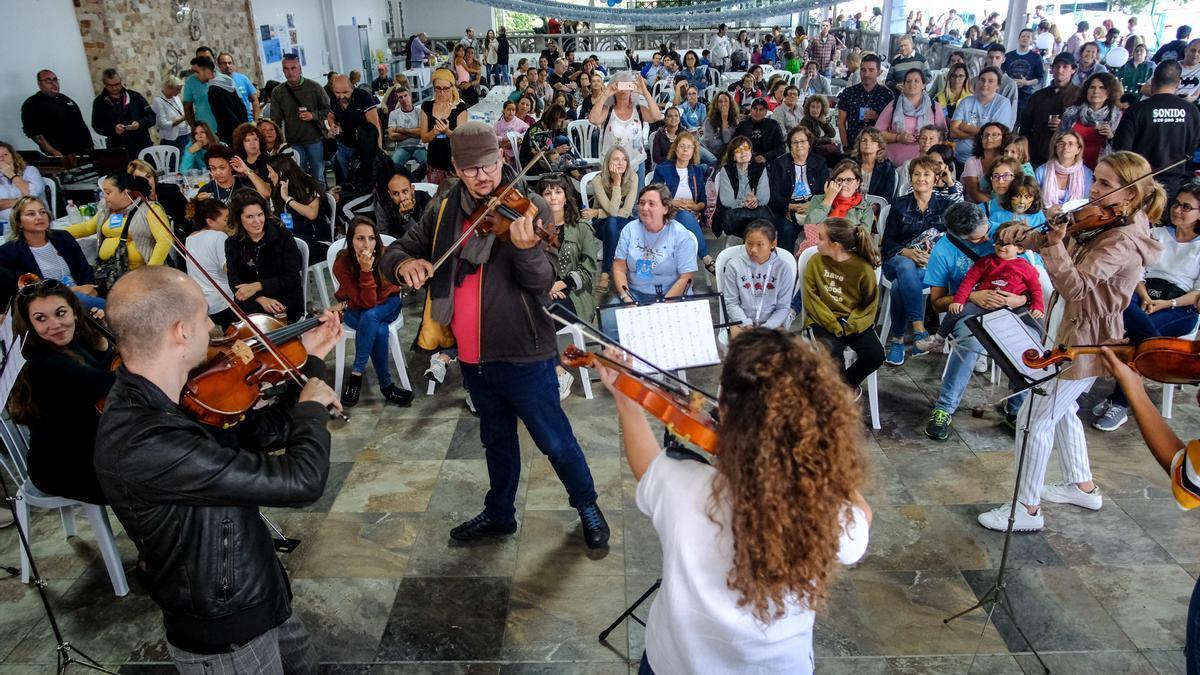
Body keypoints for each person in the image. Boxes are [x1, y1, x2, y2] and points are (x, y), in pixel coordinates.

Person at [95, 264, 340, 671]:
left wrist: (311, 362)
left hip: (258, 591)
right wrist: (312, 409)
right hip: (225, 631)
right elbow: (301, 481)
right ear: (181, 332)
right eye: (205, 317)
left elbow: (265, 430)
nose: (214, 326)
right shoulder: (146, 441)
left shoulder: (175, 398)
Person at [381, 122, 609, 547]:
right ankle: (500, 513)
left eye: (488, 164)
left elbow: (543, 282)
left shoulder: (530, 206)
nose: (482, 176)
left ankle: (588, 506)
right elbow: (400, 248)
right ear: (455, 169)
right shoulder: (446, 207)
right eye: (470, 170)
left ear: (502, 157)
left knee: (555, 441)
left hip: (524, 351)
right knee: (496, 441)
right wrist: (401, 265)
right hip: (471, 355)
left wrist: (525, 251)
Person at [599, 326, 869, 675]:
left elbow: (646, 468)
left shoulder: (679, 484)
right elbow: (861, 521)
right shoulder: (828, 510)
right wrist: (828, 462)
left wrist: (626, 400)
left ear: (725, 412)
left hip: (676, 664)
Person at [976, 151, 1165, 532]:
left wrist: (1054, 243)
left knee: (1034, 416)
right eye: (1097, 180)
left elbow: (1076, 287)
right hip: (1070, 324)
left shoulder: (1124, 239)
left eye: (1107, 185)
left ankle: (1026, 509)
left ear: (1130, 195)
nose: (1095, 190)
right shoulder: (1108, 215)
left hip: (1088, 336)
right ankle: (1082, 485)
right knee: (1061, 407)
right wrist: (1023, 235)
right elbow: (1060, 234)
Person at [1092, 181, 1200, 430]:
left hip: (1180, 305)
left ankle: (1121, 402)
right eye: (1176, 204)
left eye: (1187, 207)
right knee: (1117, 305)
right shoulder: (1158, 233)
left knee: (1139, 335)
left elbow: (1197, 292)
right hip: (1145, 293)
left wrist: (1166, 303)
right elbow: (1139, 272)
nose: (1178, 210)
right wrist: (1145, 296)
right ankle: (1131, 382)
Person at [7, 279, 112, 505]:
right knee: (150, 478)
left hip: (86, 446)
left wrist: (102, 340)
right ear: (29, 325)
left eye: (60, 313)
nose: (55, 324)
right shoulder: (42, 364)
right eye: (41, 319)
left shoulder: (63, 343)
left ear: (75, 312)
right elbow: (111, 383)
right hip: (64, 467)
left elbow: (97, 371)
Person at [917, 219, 1045, 354]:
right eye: (999, 242)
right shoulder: (986, 261)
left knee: (1037, 319)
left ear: (1020, 248)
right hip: (983, 304)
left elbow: (1035, 288)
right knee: (956, 310)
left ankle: (1038, 353)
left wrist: (1037, 306)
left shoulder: (1026, 267)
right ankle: (939, 339)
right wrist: (960, 300)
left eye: (1008, 244)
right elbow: (968, 281)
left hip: (1014, 307)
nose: (1002, 246)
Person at [879, 154, 955, 365]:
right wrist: (907, 252)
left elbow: (953, 241)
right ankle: (919, 330)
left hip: (930, 267)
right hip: (897, 261)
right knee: (904, 266)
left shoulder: (945, 205)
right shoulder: (900, 205)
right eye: (917, 174)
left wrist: (933, 257)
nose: (921, 178)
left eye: (926, 174)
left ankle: (897, 342)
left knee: (897, 287)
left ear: (936, 179)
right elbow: (887, 243)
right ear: (910, 178)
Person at [332, 216, 413, 407]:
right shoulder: (341, 264)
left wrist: (366, 272)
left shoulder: (386, 257)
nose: (367, 244)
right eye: (360, 238)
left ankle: (356, 375)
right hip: (358, 309)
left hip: (388, 305)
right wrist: (365, 271)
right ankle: (387, 386)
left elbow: (371, 302)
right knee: (377, 328)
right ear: (351, 241)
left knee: (371, 316)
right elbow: (366, 302)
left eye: (371, 238)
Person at [804, 216, 883, 390]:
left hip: (853, 322)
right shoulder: (815, 262)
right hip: (822, 321)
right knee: (832, 356)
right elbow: (812, 299)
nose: (816, 242)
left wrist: (852, 325)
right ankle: (838, 397)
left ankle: (844, 389)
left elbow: (869, 305)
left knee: (875, 355)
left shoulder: (863, 268)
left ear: (836, 245)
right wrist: (832, 323)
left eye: (821, 238)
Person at [1113, 61, 1200, 198]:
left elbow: (1121, 151)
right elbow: (1191, 151)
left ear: (1153, 81)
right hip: (1174, 185)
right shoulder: (1192, 111)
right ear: (1178, 83)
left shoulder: (1136, 110)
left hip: (1139, 184)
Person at [0, 196, 99, 309]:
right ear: (19, 223)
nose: (39, 217)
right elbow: (30, 292)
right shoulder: (10, 252)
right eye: (31, 214)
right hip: (47, 305)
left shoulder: (63, 238)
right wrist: (75, 290)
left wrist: (91, 288)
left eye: (42, 212)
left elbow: (84, 269)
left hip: (82, 297)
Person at [224, 190, 305, 323]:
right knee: (240, 313)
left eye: (260, 215)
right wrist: (260, 298)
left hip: (285, 295)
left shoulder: (282, 235)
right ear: (239, 218)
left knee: (269, 317)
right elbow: (234, 281)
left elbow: (292, 278)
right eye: (249, 217)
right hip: (252, 297)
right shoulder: (232, 243)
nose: (257, 221)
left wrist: (258, 286)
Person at [612, 182, 698, 308]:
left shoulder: (680, 235)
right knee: (609, 323)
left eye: (651, 204)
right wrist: (627, 298)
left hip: (672, 294)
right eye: (642, 203)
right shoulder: (629, 230)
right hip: (634, 293)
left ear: (665, 209)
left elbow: (686, 277)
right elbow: (619, 267)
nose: (644, 208)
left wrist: (662, 306)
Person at [68, 173, 171, 272]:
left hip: (141, 272)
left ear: (126, 193)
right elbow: (87, 228)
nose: (105, 197)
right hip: (110, 270)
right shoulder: (107, 209)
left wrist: (150, 271)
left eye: (108, 193)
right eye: (103, 193)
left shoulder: (149, 209)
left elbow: (164, 241)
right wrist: (56, 232)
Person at [651, 131, 714, 274]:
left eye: (689, 147)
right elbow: (654, 196)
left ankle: (686, 270)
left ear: (694, 151)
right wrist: (674, 203)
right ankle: (706, 258)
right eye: (682, 146)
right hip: (666, 215)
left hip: (692, 216)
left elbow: (703, 202)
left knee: (686, 215)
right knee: (684, 215)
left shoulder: (697, 171)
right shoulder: (662, 169)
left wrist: (695, 206)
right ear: (675, 149)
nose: (685, 150)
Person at [589, 71, 662, 189]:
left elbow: (656, 117)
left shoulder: (638, 109)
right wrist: (606, 94)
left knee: (635, 204)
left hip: (636, 162)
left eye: (627, 85)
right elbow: (593, 119)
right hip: (611, 164)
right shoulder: (608, 110)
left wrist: (645, 92)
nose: (624, 90)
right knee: (613, 200)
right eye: (620, 85)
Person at [269, 53, 332, 186]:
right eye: (286, 68)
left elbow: (328, 110)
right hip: (293, 142)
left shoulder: (314, 87)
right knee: (297, 178)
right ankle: (304, 205)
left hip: (315, 139)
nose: (290, 72)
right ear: (283, 70)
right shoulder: (278, 92)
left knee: (318, 177)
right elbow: (275, 120)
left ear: (300, 69)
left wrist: (313, 115)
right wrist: (278, 142)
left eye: (293, 68)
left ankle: (323, 204)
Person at [721, 220, 795, 333]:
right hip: (741, 323)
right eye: (749, 243)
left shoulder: (783, 269)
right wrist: (746, 324)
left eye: (760, 244)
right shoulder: (734, 265)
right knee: (743, 346)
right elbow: (731, 302)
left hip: (772, 325)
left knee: (777, 347)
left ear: (773, 244)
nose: (753, 250)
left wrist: (767, 327)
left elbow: (783, 307)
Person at [583, 147, 637, 292]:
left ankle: (606, 273)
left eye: (624, 159)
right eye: (616, 159)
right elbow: (613, 212)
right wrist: (616, 184)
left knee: (619, 227)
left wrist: (597, 212)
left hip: (624, 220)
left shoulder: (633, 177)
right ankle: (613, 273)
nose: (620, 163)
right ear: (607, 163)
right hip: (602, 225)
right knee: (612, 223)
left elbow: (625, 211)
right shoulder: (597, 180)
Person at [768, 126, 828, 253]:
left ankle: (812, 264)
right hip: (786, 209)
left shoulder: (819, 162)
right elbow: (772, 195)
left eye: (803, 141)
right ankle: (787, 264)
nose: (799, 145)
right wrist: (790, 207)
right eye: (795, 142)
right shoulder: (780, 164)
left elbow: (825, 192)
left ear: (809, 143)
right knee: (786, 229)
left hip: (812, 208)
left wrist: (811, 205)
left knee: (824, 229)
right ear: (790, 145)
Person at [1018, 53, 1080, 167]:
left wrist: (1064, 126)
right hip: (1036, 155)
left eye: (1065, 66)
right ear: (1052, 69)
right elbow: (1025, 127)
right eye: (1057, 66)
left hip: (1066, 158)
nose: (1060, 70)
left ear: (1073, 70)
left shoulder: (1079, 97)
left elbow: (1083, 128)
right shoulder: (1038, 96)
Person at [875, 69, 945, 168]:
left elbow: (942, 135)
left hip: (925, 165)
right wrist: (898, 137)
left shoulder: (934, 107)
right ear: (903, 85)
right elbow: (877, 133)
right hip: (893, 164)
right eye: (908, 81)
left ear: (923, 85)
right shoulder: (893, 105)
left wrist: (925, 137)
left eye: (916, 81)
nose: (912, 84)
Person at [21, 69, 94, 162]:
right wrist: (55, 153)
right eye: (48, 81)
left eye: (55, 80)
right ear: (39, 84)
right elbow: (35, 134)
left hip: (85, 152)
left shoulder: (65, 99)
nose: (54, 83)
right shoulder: (32, 104)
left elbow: (80, 123)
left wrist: (91, 147)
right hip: (62, 156)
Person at [950, 67, 1016, 166]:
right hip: (960, 159)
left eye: (991, 81)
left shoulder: (1003, 103)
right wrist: (977, 135)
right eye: (982, 80)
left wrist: (966, 127)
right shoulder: (966, 101)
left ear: (998, 85)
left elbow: (994, 136)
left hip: (986, 162)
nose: (985, 84)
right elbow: (953, 132)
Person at [1057, 72, 1123, 169]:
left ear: (1110, 93)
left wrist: (1111, 136)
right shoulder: (1071, 113)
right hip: (1070, 166)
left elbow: (1121, 150)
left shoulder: (1117, 117)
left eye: (1102, 88)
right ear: (1086, 91)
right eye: (1092, 87)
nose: (1096, 91)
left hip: (1102, 169)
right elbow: (1058, 140)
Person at [713, 136, 772, 240]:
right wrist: (744, 203)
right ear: (733, 156)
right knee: (753, 229)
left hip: (756, 213)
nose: (743, 153)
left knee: (758, 225)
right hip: (735, 215)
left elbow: (764, 198)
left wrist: (756, 201)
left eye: (746, 149)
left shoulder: (760, 168)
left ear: (751, 152)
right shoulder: (726, 170)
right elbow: (727, 201)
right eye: (738, 150)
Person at [328, 74, 383, 181]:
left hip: (363, 146)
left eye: (345, 92)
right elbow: (330, 116)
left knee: (364, 177)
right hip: (343, 145)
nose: (341, 96)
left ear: (352, 88)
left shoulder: (363, 96)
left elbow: (375, 124)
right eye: (337, 92)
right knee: (345, 179)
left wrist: (378, 147)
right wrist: (332, 125)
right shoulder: (333, 99)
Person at [421, 69, 471, 185]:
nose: (441, 92)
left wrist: (447, 131)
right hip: (434, 160)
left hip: (454, 162)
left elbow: (461, 139)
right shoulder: (427, 106)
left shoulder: (460, 108)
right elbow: (424, 137)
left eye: (445, 89)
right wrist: (433, 132)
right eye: (438, 88)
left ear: (452, 87)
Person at [91, 68, 155, 157]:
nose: (114, 88)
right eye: (110, 85)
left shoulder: (135, 96)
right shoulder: (99, 102)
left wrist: (140, 123)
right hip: (118, 149)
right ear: (104, 84)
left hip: (142, 146)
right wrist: (113, 130)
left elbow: (152, 116)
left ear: (121, 81)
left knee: (147, 171)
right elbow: (97, 126)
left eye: (117, 84)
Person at [805, 158, 874, 240]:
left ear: (857, 183)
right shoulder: (818, 199)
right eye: (839, 180)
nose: (843, 184)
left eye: (849, 180)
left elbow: (863, 238)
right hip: (819, 247)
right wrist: (828, 200)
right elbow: (809, 225)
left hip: (850, 250)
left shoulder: (865, 208)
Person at [837, 54, 894, 150]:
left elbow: (892, 125)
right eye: (863, 70)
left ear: (879, 72)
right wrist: (845, 146)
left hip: (877, 149)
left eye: (871, 70)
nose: (866, 74)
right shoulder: (849, 92)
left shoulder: (887, 95)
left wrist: (877, 117)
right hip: (852, 147)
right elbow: (841, 122)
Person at [188, 57, 248, 144]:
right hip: (241, 130)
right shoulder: (227, 81)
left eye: (197, 72)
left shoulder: (214, 90)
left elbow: (225, 117)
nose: (196, 76)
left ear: (207, 71)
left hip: (231, 136)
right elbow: (242, 108)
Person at [1036, 130, 1094, 211]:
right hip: (1045, 217)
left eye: (1071, 144)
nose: (1065, 147)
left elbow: (1086, 202)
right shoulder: (1041, 171)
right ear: (1056, 149)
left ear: (1078, 149)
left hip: (1075, 218)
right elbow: (1034, 201)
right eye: (1061, 144)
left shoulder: (1087, 174)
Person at [196, 145, 271, 204]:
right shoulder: (206, 190)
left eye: (222, 167)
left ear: (231, 167)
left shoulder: (245, 183)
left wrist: (246, 170)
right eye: (213, 168)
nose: (218, 172)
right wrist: (197, 203)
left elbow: (266, 194)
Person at [961, 122, 1010, 203]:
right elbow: (974, 193)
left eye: (994, 135)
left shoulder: (1007, 162)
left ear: (1004, 138)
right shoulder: (972, 162)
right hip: (974, 206)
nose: (989, 138)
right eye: (985, 135)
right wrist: (995, 209)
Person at [0, 140, 47, 225]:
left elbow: (32, 195)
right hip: (6, 225)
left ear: (13, 157)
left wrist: (11, 175)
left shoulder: (30, 171)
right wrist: (20, 201)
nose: (2, 159)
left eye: (5, 155)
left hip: (36, 220)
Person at [894, 126, 946, 197]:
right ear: (918, 140)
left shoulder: (946, 164)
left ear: (940, 142)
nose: (927, 142)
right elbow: (902, 192)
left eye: (931, 139)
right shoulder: (909, 164)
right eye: (923, 138)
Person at [732, 98, 785, 166]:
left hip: (768, 162)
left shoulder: (773, 125)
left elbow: (781, 147)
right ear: (751, 110)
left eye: (761, 109)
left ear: (766, 112)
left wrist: (766, 157)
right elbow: (734, 144)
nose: (757, 112)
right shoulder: (742, 125)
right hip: (745, 160)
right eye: (755, 109)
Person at [1005, 29, 1046, 114]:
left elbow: (1040, 78)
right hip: (1008, 92)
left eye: (1028, 37)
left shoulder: (1036, 58)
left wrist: (1026, 82)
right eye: (1023, 36)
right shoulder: (1008, 56)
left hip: (1026, 95)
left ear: (1031, 40)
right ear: (1018, 39)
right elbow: (1001, 73)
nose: (1025, 38)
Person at [851, 127, 895, 201]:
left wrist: (874, 206)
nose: (867, 143)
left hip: (875, 208)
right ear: (859, 144)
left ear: (879, 146)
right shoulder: (850, 164)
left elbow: (887, 196)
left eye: (873, 140)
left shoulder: (887, 167)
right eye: (864, 140)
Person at [152, 75, 192, 154]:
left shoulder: (175, 97)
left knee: (186, 160)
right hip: (173, 138)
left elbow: (181, 112)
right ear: (169, 88)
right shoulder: (158, 101)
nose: (179, 92)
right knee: (174, 162)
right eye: (177, 90)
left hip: (186, 134)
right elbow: (163, 124)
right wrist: (184, 117)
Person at [217, 52, 260, 122]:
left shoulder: (243, 79)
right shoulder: (216, 83)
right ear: (219, 65)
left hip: (247, 121)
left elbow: (255, 100)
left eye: (229, 63)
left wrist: (255, 121)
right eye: (224, 63)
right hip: (228, 123)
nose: (227, 65)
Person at [702, 91, 739, 161]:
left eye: (726, 101)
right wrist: (726, 145)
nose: (723, 104)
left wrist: (724, 121)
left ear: (730, 104)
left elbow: (727, 140)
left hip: (726, 153)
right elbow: (711, 143)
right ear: (716, 104)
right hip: (709, 151)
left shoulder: (734, 120)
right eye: (720, 102)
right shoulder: (709, 120)